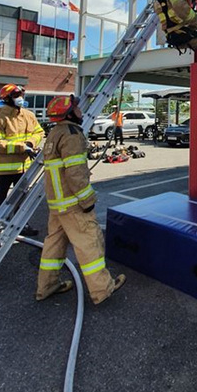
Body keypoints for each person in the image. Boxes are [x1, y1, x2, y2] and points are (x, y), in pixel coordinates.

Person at [36, 95, 125, 304]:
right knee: (89, 243)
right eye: (76, 108)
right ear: (69, 112)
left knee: (53, 245)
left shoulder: (55, 133)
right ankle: (102, 289)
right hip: (73, 203)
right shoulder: (72, 134)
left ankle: (46, 286)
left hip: (57, 204)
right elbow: (75, 174)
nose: (80, 111)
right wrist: (87, 201)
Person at [0, 83, 43, 239]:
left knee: (22, 199)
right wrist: (21, 147)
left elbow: (39, 131)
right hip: (4, 169)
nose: (20, 98)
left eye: (20, 95)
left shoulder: (28, 115)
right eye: (16, 96)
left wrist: (31, 143)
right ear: (7, 99)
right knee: (0, 200)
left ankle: (21, 225)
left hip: (24, 166)